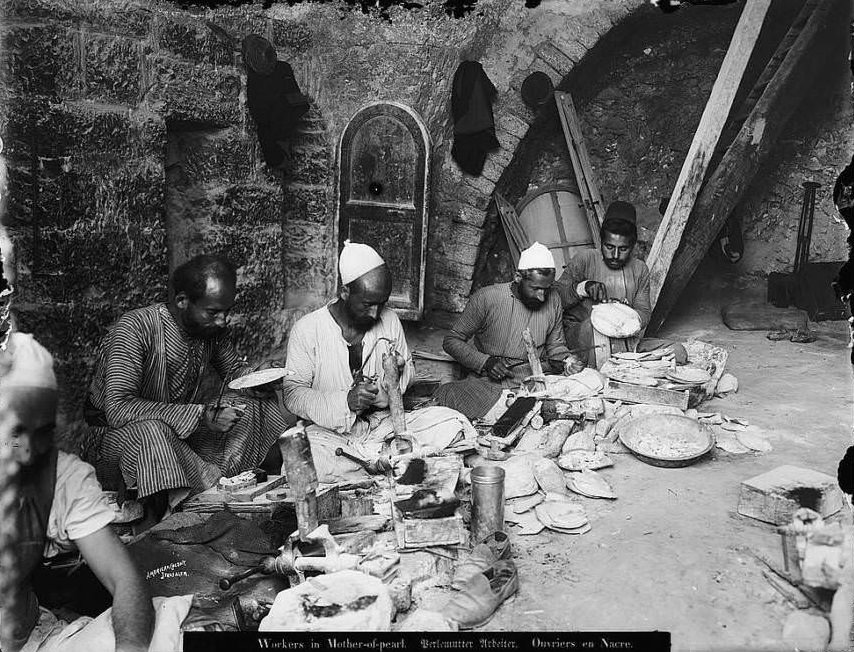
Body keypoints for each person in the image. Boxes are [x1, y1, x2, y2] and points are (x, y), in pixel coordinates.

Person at [0, 332, 192, 652]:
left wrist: (130, 648)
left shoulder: (61, 475)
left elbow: (124, 580)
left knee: (167, 622)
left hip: (37, 640)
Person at [85, 254, 294, 528]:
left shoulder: (209, 330)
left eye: (226, 312)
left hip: (177, 434)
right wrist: (201, 415)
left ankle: (237, 488)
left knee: (253, 403)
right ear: (183, 301)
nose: (223, 321)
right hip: (116, 439)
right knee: (153, 432)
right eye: (213, 312)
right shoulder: (134, 329)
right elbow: (118, 408)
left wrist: (260, 377)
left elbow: (235, 374)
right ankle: (167, 522)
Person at [281, 241, 477, 483]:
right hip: (334, 435)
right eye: (367, 304)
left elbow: (409, 374)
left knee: (454, 423)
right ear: (344, 292)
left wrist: (398, 373)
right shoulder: (308, 330)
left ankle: (377, 465)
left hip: (385, 426)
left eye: (381, 303)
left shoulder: (390, 320)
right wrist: (345, 401)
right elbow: (293, 394)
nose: (375, 313)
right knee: (303, 460)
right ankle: (395, 465)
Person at [437, 242, 585, 419]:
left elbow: (556, 347)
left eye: (546, 289)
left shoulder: (553, 299)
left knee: (582, 392)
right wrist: (485, 362)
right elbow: (451, 341)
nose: (542, 296)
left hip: (536, 382)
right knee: (447, 395)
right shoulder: (486, 298)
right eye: (536, 288)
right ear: (517, 277)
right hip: (490, 385)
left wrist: (567, 360)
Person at [555, 201, 684, 367]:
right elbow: (556, 298)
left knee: (677, 351)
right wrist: (583, 288)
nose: (615, 255)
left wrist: (622, 313)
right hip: (583, 337)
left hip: (622, 338)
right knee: (593, 328)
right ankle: (623, 364)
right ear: (601, 241)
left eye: (623, 249)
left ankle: (625, 362)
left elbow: (644, 312)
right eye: (609, 247)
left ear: (632, 246)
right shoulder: (585, 259)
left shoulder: (639, 269)